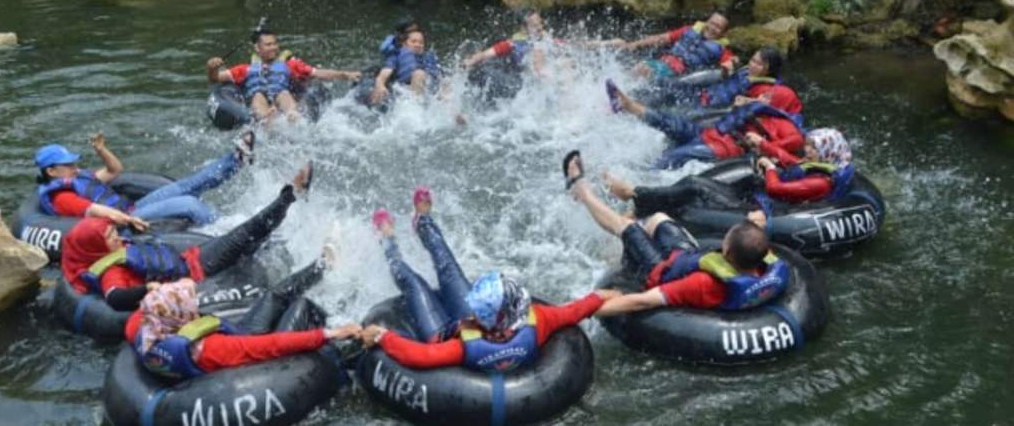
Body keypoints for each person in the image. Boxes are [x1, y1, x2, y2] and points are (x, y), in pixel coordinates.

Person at [357, 187, 611, 371]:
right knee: (448, 266)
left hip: (440, 332)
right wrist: (601, 296)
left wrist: (382, 336)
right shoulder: (537, 320)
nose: (471, 312)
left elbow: (421, 356)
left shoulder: (466, 348)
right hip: (487, 325)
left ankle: (387, 239)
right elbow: (574, 311)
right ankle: (423, 222)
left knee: (413, 283)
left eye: (477, 310)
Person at [60, 162, 315, 311]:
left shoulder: (117, 251)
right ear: (95, 248)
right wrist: (146, 289)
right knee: (244, 235)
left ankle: (291, 204)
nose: (116, 237)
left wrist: (126, 221)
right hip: (198, 270)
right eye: (109, 235)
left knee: (252, 241)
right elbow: (115, 297)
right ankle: (290, 195)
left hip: (191, 256)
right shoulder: (111, 272)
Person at [562, 152, 789, 314]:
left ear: (727, 250)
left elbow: (644, 301)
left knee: (626, 226)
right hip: (684, 256)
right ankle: (624, 252)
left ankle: (581, 191)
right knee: (659, 218)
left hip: (658, 270)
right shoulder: (762, 265)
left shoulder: (702, 284)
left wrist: (578, 312)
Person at [125, 253, 361, 379]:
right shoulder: (208, 348)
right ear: (179, 314)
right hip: (258, 362)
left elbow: (140, 315)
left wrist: (156, 294)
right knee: (301, 305)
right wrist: (331, 334)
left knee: (275, 295)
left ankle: (323, 264)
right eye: (189, 301)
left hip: (238, 338)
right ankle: (349, 347)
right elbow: (270, 345)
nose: (195, 303)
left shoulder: (146, 332)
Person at [598, 127, 854, 222]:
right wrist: (765, 148)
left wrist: (771, 169)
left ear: (826, 153)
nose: (806, 149)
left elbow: (777, 190)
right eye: (808, 145)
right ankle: (636, 208)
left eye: (812, 147)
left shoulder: (819, 181)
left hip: (763, 208)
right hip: (754, 193)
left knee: (696, 188)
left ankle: (632, 193)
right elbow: (792, 160)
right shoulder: (816, 165)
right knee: (692, 182)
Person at [35, 131, 253, 226]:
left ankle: (235, 159)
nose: (74, 167)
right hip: (124, 221)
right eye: (68, 164)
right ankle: (231, 231)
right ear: (51, 171)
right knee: (189, 204)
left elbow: (114, 171)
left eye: (73, 162)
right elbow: (95, 211)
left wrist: (101, 150)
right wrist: (129, 220)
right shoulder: (61, 197)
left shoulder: (79, 177)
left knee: (184, 186)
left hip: (131, 207)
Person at [606, 77, 806, 169]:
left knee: (677, 155)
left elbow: (789, 156)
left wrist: (761, 143)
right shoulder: (760, 111)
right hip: (712, 134)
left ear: (780, 104)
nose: (762, 98)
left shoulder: (791, 132)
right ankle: (628, 105)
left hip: (726, 149)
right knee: (670, 121)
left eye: (768, 98)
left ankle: (633, 178)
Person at [207, 26, 361, 125]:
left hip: (282, 95)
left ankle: (292, 115)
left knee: (283, 93)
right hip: (259, 98)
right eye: (268, 45)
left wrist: (345, 74)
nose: (274, 47)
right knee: (257, 96)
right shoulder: (244, 69)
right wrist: (212, 68)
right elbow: (215, 79)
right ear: (258, 49)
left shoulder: (291, 65)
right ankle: (265, 117)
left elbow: (318, 73)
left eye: (275, 43)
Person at [596, 12, 736, 80]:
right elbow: (662, 38)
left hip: (680, 76)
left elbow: (730, 64)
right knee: (639, 67)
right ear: (706, 22)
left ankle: (620, 92)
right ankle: (618, 88)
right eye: (711, 23)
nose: (712, 28)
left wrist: (732, 64)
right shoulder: (688, 30)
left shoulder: (722, 50)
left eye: (718, 27)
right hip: (663, 64)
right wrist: (634, 44)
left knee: (642, 68)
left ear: (724, 32)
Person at [644, 47, 786, 111]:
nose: (751, 64)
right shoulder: (746, 71)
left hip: (710, 109)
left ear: (769, 69)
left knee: (668, 106)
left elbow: (767, 104)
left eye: (758, 63)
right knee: (666, 89)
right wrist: (730, 64)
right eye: (752, 60)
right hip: (703, 96)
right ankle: (629, 103)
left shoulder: (764, 88)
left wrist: (753, 101)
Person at [463, 10, 555, 77]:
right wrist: (469, 62)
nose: (540, 28)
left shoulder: (547, 40)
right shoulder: (512, 44)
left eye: (541, 23)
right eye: (535, 26)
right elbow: (484, 54)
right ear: (523, 29)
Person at [369, 30, 443, 105]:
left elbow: (441, 78)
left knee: (445, 86)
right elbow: (384, 73)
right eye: (413, 41)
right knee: (419, 74)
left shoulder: (429, 57)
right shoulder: (396, 55)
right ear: (405, 44)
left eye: (421, 42)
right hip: (407, 88)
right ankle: (415, 108)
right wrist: (380, 85)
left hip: (429, 90)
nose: (418, 44)